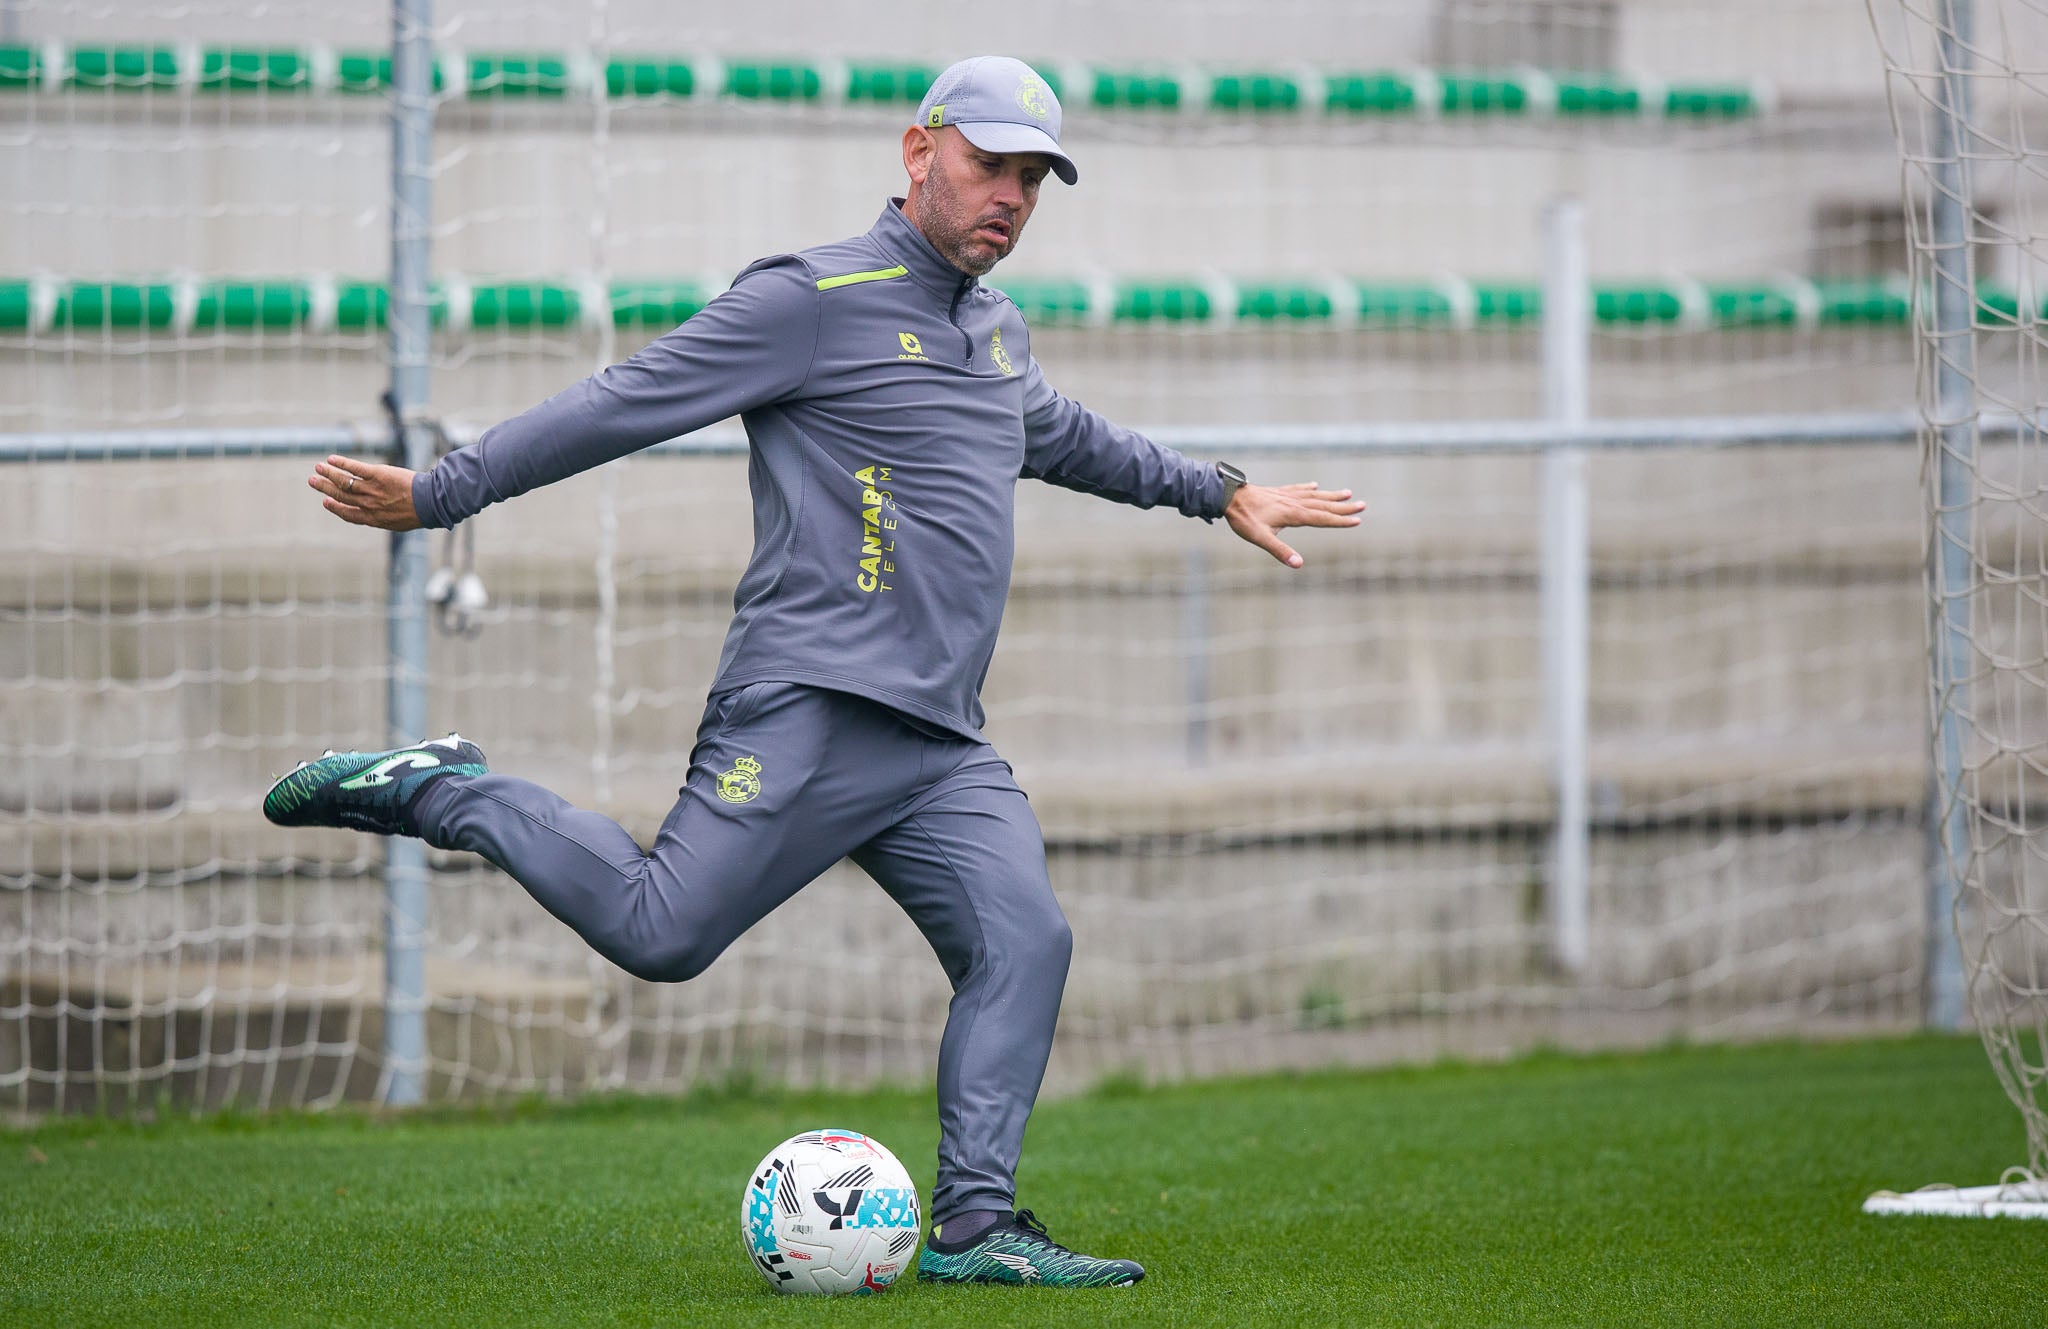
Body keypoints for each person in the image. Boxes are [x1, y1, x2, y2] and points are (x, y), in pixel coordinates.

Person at [265, 55, 1364, 1289]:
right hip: (804, 707)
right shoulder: (807, 297)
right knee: (659, 934)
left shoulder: (993, 335)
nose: (1007, 194)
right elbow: (624, 401)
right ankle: (441, 789)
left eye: (1030, 178)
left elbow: (1068, 438)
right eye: (986, 163)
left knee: (1026, 942)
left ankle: (972, 1227)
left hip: (938, 745)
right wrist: (442, 491)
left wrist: (1218, 492)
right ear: (917, 151)